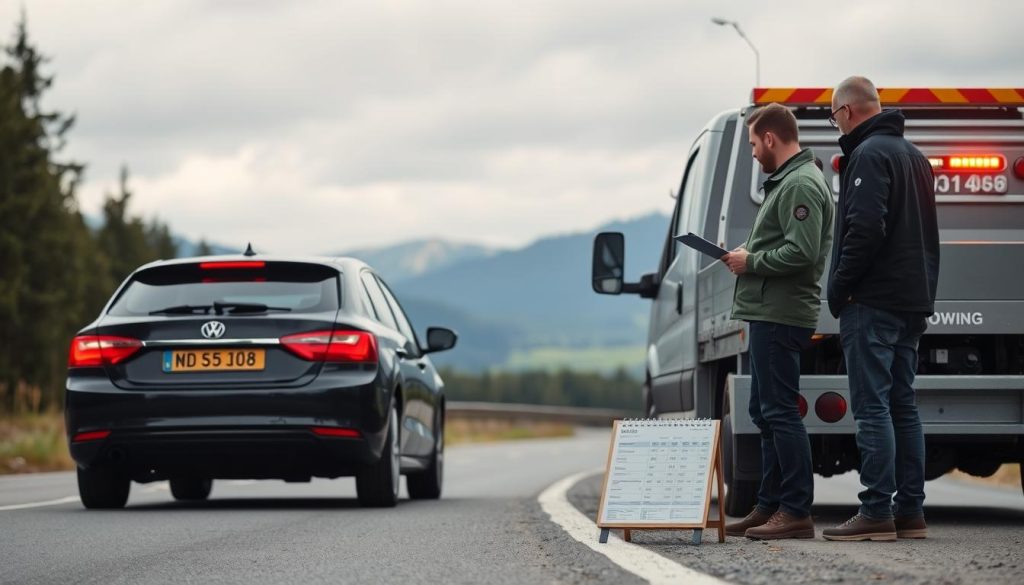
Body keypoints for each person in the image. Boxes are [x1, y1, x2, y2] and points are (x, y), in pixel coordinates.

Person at [822, 76, 939, 542]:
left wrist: (841, 286)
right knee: (902, 405)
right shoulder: (915, 157)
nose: (836, 126)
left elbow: (864, 228)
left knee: (872, 408)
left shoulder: (867, 155)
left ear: (847, 111)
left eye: (834, 117)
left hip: (872, 300)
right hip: (912, 299)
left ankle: (875, 510)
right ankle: (910, 511)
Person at [722, 103, 834, 540]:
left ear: (771, 138)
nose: (752, 152)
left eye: (753, 143)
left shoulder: (801, 184)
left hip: (781, 313)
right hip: (768, 310)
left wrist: (751, 261)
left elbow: (802, 253)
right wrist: (745, 256)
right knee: (765, 413)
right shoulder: (788, 182)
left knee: (782, 413)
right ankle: (767, 506)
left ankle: (795, 511)